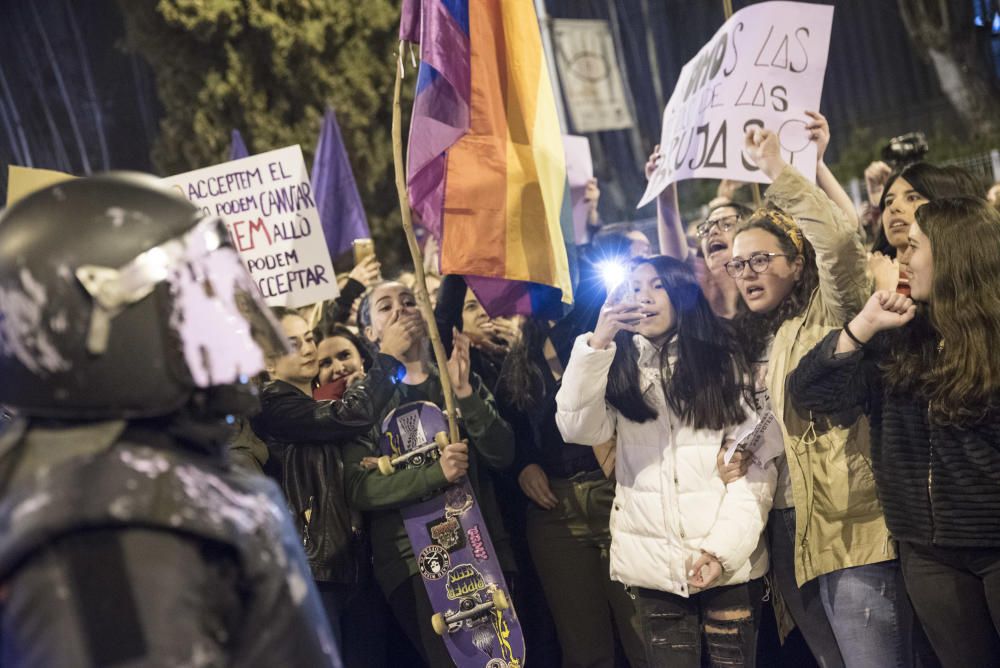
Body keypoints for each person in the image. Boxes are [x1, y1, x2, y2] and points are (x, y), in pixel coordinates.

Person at [0, 174, 340, 667]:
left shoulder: (122, 483)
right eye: (200, 308)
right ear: (117, 331)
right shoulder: (112, 533)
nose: (232, 332)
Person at [789, 197, 1000, 668]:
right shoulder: (899, 335)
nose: (900, 258)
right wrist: (861, 326)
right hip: (928, 554)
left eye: (914, 247)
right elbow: (809, 392)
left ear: (954, 255)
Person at [726, 126, 908, 668]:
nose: (747, 273)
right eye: (739, 264)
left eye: (761, 259)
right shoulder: (767, 333)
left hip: (849, 524)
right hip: (788, 531)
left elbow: (836, 242)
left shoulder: (832, 309)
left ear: (797, 263)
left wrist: (779, 169)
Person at [556, 255, 777, 667]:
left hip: (727, 565)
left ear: (680, 292)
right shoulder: (614, 366)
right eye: (634, 287)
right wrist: (597, 343)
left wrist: (721, 552)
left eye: (656, 285)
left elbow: (757, 468)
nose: (644, 296)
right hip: (655, 572)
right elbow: (576, 428)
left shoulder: (723, 360)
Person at [342, 280, 516, 666]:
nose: (402, 310)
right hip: (412, 563)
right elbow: (359, 489)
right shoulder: (363, 401)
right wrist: (435, 473)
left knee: (504, 656)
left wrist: (467, 397)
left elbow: (503, 455)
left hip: (482, 547)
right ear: (370, 333)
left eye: (409, 300)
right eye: (385, 307)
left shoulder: (453, 375)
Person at [252, 306, 417, 667]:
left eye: (309, 337)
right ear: (268, 362)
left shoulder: (311, 405)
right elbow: (349, 417)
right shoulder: (272, 406)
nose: (309, 348)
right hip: (317, 569)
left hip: (349, 562)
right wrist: (387, 359)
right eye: (292, 343)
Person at [495, 315, 647, 668]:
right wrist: (524, 464)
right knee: (584, 650)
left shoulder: (592, 327)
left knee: (646, 638)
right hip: (555, 511)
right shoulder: (518, 357)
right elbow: (511, 428)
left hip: (614, 492)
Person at [869, 162, 982, 295]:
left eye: (912, 198)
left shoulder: (963, 282)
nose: (894, 207)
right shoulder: (867, 275)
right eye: (888, 201)